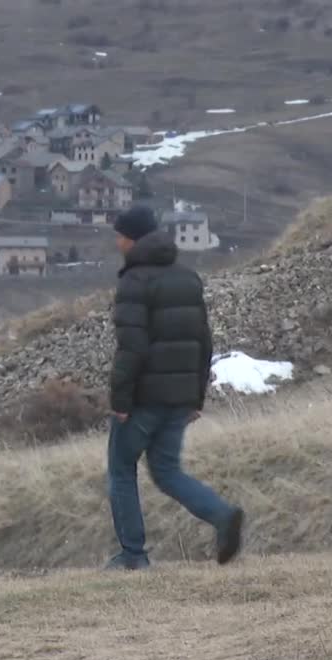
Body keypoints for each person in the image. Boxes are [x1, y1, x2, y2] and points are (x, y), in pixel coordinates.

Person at [104, 205, 244, 571]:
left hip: (144, 399)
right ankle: (222, 515)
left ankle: (133, 555)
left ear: (131, 239)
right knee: (167, 471)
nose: (116, 242)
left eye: (118, 235)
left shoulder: (134, 282)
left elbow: (131, 347)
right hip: (179, 398)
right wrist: (195, 397)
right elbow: (204, 341)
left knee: (121, 468)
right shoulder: (187, 277)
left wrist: (120, 399)